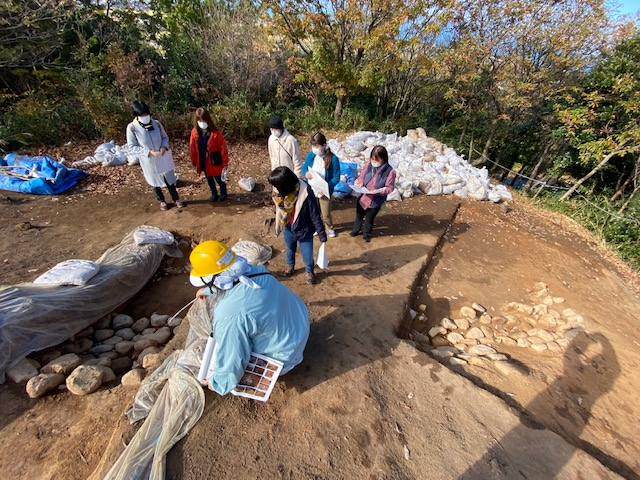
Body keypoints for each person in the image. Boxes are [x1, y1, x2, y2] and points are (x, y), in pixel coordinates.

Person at [189, 240, 310, 396]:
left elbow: (232, 358)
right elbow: (236, 285)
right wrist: (208, 291)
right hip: (299, 325)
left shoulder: (230, 316)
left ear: (211, 279)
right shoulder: (258, 271)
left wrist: (216, 382)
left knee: (227, 353)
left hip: (286, 355)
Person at [268, 166, 327, 285]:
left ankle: (309, 271)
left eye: (277, 186)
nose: (275, 189)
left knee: (307, 253)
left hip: (304, 229)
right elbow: (280, 209)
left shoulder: (305, 191)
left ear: (285, 185)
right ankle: (290, 266)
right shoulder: (279, 193)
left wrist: (322, 234)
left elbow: (314, 214)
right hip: (288, 226)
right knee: (290, 248)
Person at [126, 100, 184, 210]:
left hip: (162, 156)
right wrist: (148, 152)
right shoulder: (132, 128)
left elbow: (165, 137)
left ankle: (176, 199)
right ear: (136, 115)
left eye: (146, 114)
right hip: (149, 160)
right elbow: (132, 146)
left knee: (169, 180)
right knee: (154, 181)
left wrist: (163, 147)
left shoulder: (156, 123)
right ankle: (161, 201)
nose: (145, 116)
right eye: (142, 115)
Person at [350, 145, 396, 242]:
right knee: (359, 215)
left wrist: (379, 191)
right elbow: (361, 176)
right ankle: (356, 230)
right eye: (372, 159)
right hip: (363, 195)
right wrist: (360, 182)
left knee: (369, 218)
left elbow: (390, 188)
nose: (374, 161)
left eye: (376, 159)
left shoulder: (390, 171)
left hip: (375, 199)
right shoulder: (368, 165)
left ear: (383, 159)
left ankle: (366, 234)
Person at [302, 132, 341, 238]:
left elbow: (336, 177)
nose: (314, 148)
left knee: (325, 213)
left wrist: (326, 187)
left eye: (316, 146)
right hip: (312, 188)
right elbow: (304, 167)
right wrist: (306, 173)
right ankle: (317, 227)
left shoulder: (333, 159)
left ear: (324, 145)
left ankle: (329, 228)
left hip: (324, 190)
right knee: (314, 211)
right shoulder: (311, 155)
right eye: (312, 146)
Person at [189, 107, 229, 202]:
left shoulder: (216, 133)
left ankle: (223, 193)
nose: (202, 122)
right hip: (203, 160)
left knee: (219, 179)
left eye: (203, 119)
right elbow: (192, 148)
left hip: (215, 160)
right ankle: (214, 193)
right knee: (209, 179)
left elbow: (223, 148)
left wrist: (225, 163)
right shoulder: (194, 132)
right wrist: (194, 161)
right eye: (200, 120)